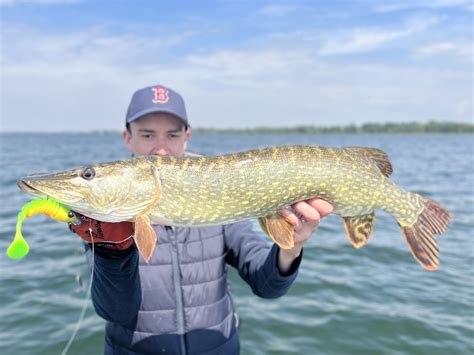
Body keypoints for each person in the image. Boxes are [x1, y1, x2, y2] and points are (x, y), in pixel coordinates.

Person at [69, 84, 333, 354]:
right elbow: (115, 310)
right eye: (148, 135)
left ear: (186, 138)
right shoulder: (109, 220)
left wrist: (291, 247)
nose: (160, 149)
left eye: (172, 135)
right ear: (128, 138)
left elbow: (266, 286)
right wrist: (112, 251)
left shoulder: (223, 191)